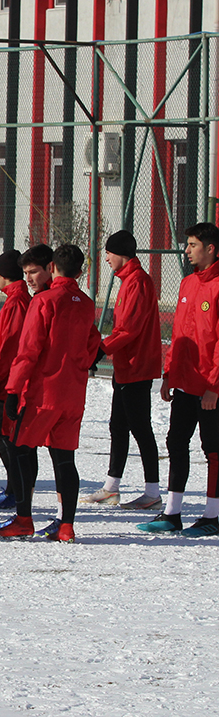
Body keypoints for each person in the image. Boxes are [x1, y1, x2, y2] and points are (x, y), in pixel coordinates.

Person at [0, 244, 101, 542]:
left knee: (18, 448)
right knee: (65, 460)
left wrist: (13, 390)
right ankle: (66, 525)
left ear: (52, 267)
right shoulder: (86, 302)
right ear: (80, 271)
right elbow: (94, 342)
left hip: (43, 393)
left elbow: (28, 351)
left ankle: (23, 518)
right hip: (73, 393)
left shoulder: (45, 301)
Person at [137, 222, 219, 536]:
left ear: (210, 248)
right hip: (185, 381)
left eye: (192, 244)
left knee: (212, 449)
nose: (186, 250)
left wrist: (214, 386)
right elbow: (179, 335)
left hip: (210, 387)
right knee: (175, 442)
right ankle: (172, 513)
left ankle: (212, 517)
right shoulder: (187, 285)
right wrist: (169, 374)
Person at [83, 230, 163, 509]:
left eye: (109, 252)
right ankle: (111, 487)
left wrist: (101, 350)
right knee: (118, 425)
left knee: (140, 428)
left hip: (137, 367)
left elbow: (129, 328)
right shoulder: (129, 279)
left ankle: (152, 492)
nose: (105, 258)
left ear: (122, 254)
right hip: (126, 366)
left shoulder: (138, 281)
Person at [0, 250, 31, 510]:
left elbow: (8, 346)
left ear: (0, 275)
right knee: (3, 435)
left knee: (2, 435)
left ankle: (16, 490)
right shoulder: (20, 298)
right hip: (10, 377)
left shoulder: (15, 302)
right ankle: (15, 488)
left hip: (7, 380)